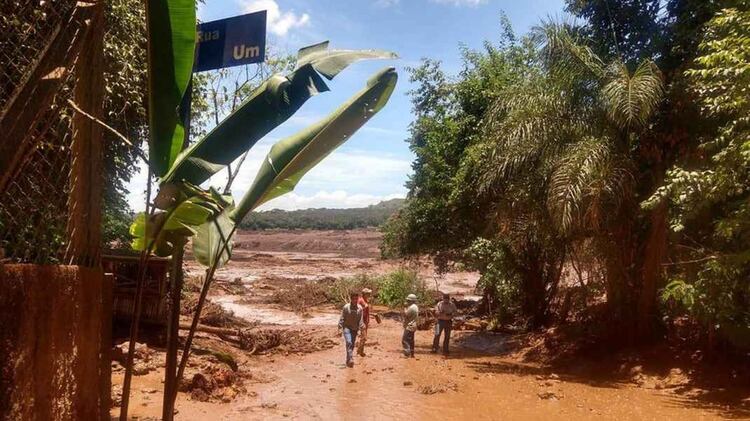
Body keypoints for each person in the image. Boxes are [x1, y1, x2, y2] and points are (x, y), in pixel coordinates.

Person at [338, 292, 365, 367]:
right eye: (354, 299)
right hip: (347, 328)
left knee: (352, 344)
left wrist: (361, 330)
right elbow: (342, 318)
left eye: (356, 299)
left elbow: (360, 320)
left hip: (355, 329)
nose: (355, 300)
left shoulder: (360, 308)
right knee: (349, 342)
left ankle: (348, 359)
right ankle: (351, 359)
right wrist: (340, 328)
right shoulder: (346, 307)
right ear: (351, 299)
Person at [357, 288, 372, 357]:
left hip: (365, 321)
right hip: (361, 321)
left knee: (363, 337)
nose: (369, 295)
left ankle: (361, 351)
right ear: (364, 294)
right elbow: (358, 310)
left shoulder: (365, 300)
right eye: (368, 293)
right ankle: (359, 352)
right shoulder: (360, 300)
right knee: (364, 337)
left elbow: (366, 311)